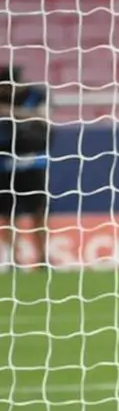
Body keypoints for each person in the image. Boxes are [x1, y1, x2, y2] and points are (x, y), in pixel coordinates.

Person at [0, 66, 50, 271]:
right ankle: (14, 259)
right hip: (4, 164)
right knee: (8, 214)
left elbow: (44, 119)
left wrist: (11, 113)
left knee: (38, 211)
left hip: (33, 161)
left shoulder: (36, 96)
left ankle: (42, 258)